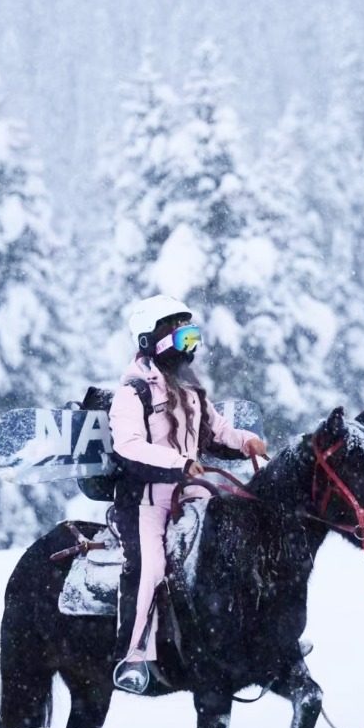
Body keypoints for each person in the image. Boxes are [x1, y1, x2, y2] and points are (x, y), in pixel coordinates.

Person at [109, 294, 267, 694]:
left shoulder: (192, 391)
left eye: (193, 337)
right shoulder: (133, 392)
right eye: (181, 338)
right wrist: (177, 463)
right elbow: (128, 446)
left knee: (235, 549)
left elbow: (218, 433)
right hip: (146, 498)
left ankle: (262, 640)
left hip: (191, 493)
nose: (189, 348)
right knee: (152, 567)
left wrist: (247, 441)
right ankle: (133, 658)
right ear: (152, 341)